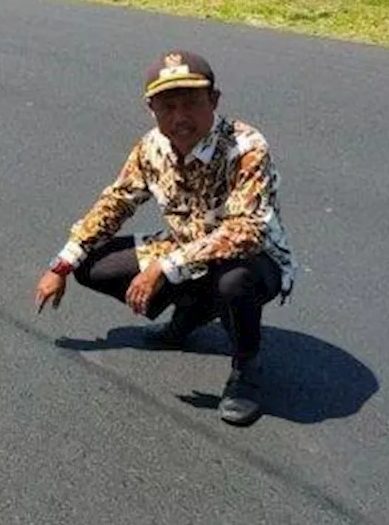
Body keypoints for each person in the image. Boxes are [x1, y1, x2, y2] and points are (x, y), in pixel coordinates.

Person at [34, 50, 297, 426]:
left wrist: (163, 267)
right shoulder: (151, 147)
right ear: (151, 109)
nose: (180, 117)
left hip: (253, 257)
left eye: (191, 103)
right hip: (182, 248)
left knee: (234, 281)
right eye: (167, 106)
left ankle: (246, 368)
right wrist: (61, 264)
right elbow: (117, 202)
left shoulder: (246, 147)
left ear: (214, 100)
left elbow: (247, 231)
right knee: (93, 266)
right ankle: (193, 310)